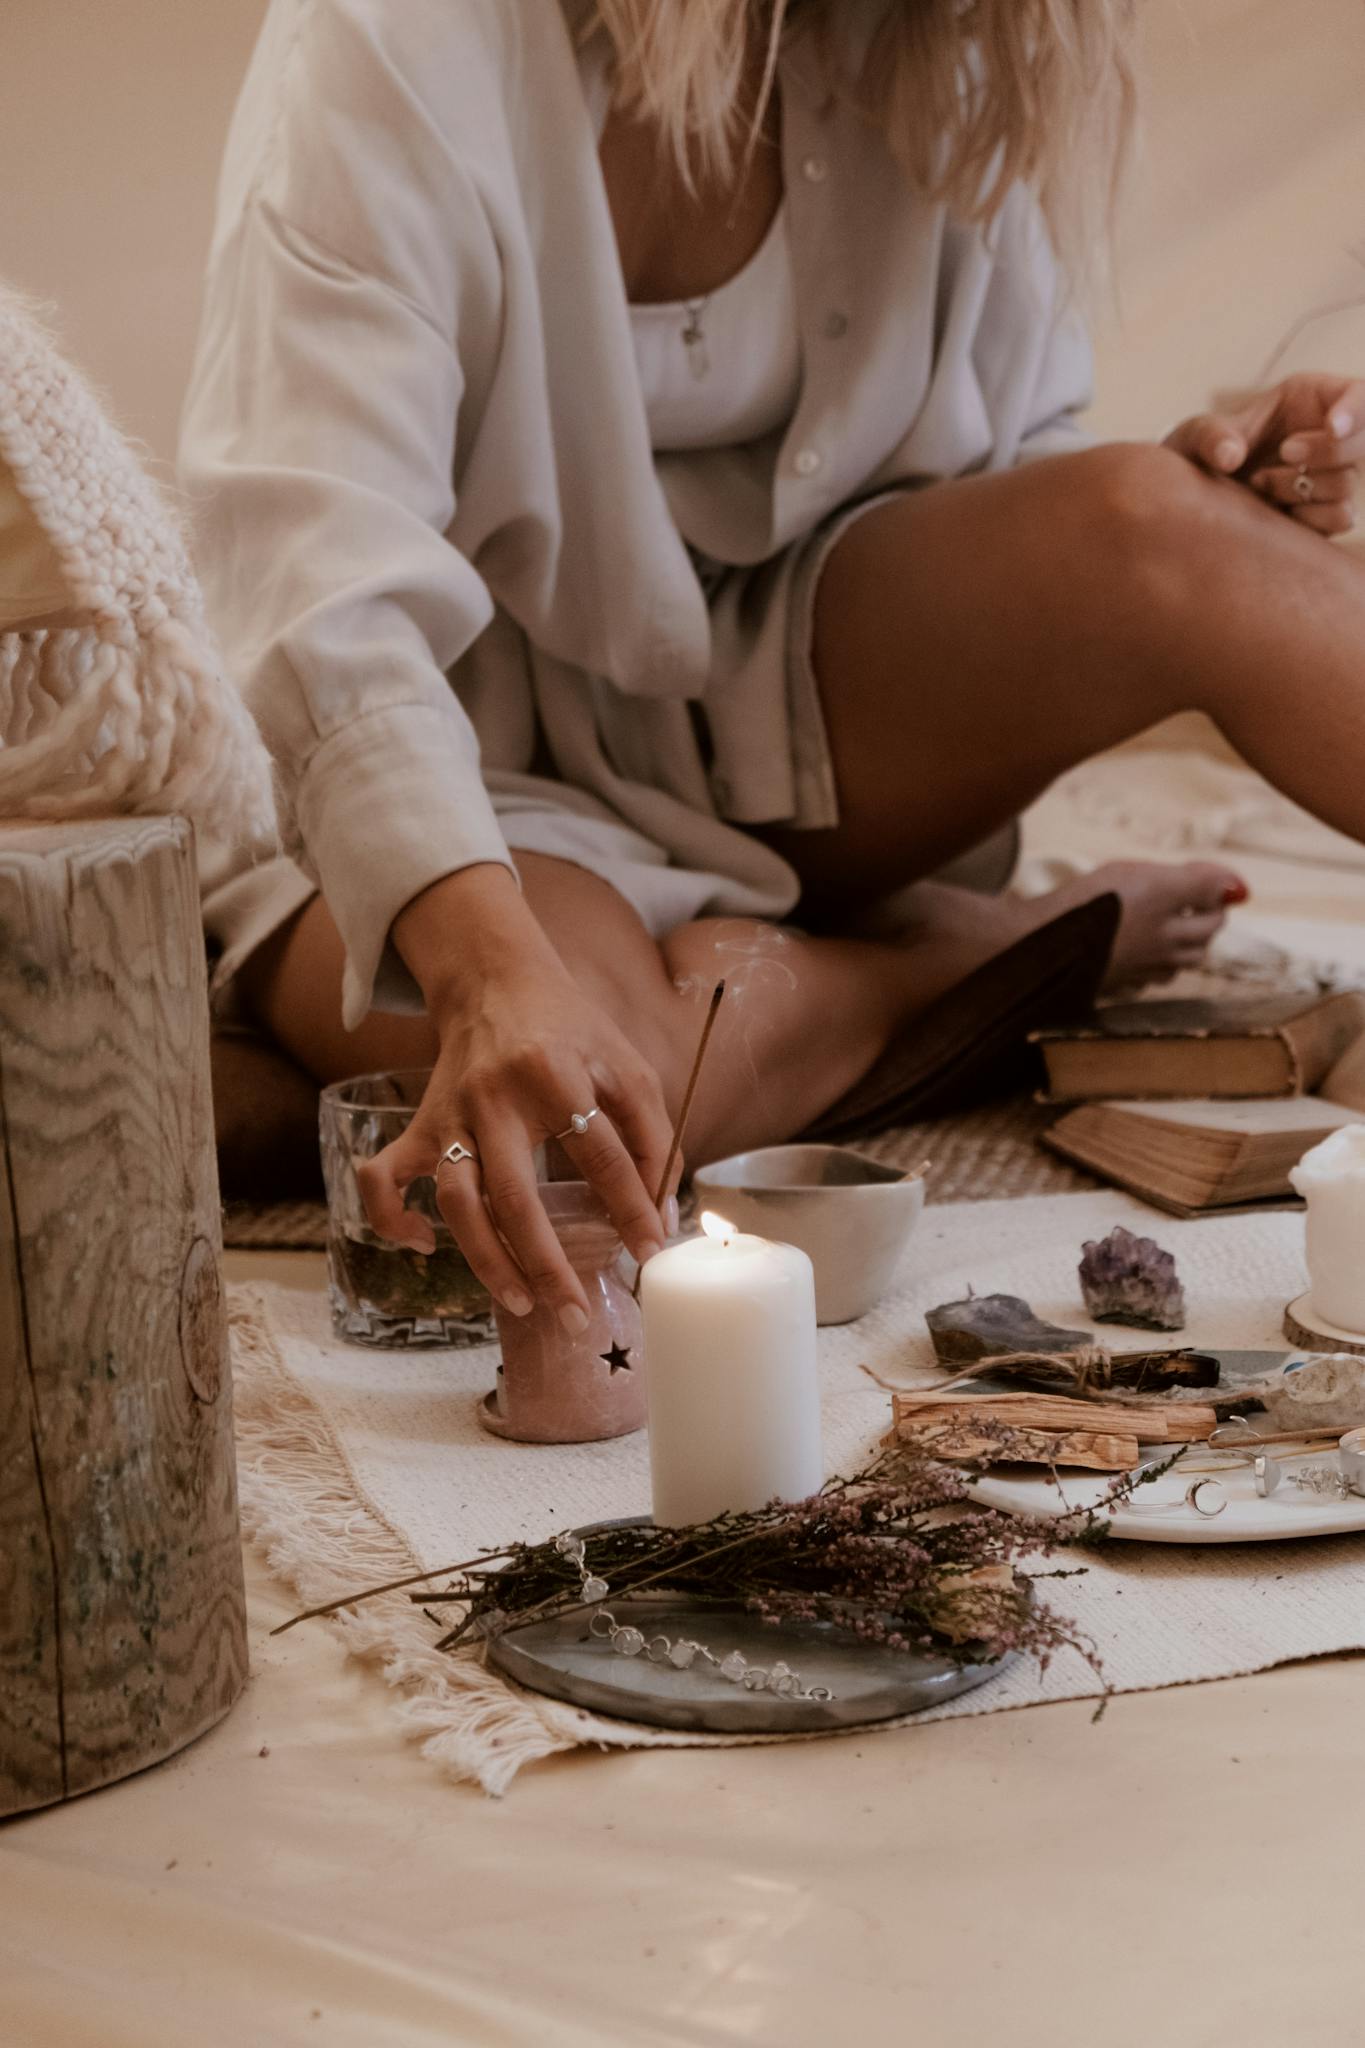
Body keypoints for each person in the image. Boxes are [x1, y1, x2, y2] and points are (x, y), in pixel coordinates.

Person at [183, 0, 1362, 1336]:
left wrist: (1201, 494)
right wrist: (486, 975)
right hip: (462, 781)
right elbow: (311, 564)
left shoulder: (954, 38)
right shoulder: (399, 31)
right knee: (584, 1127)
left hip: (801, 723)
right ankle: (988, 958)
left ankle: (838, 964)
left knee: (1160, 526)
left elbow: (1003, 453)